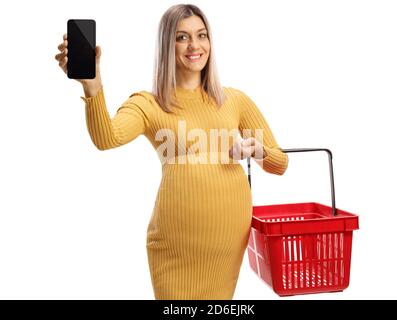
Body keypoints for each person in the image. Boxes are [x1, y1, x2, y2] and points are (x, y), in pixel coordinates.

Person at [55, 4, 288, 300]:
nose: (195, 46)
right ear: (167, 44)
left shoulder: (235, 100)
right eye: (182, 37)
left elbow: (280, 163)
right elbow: (107, 138)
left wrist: (258, 150)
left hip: (228, 241)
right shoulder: (149, 103)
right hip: (174, 245)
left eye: (202, 35)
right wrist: (93, 87)